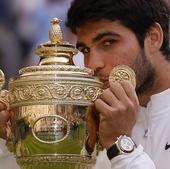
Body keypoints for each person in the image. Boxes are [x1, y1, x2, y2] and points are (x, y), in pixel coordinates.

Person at [66, 0, 170, 169]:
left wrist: (119, 144)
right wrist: (11, 140)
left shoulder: (112, 131)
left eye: (108, 42)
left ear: (153, 38)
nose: (92, 65)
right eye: (85, 50)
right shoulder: (94, 124)